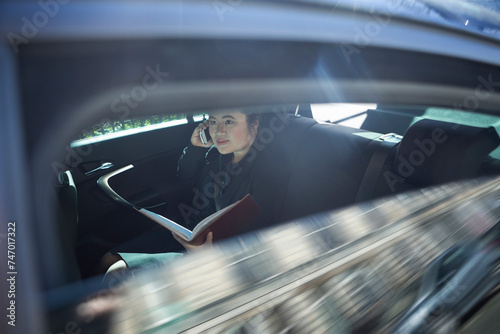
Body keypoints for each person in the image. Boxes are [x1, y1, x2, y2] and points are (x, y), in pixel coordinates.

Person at [101, 107, 290, 275]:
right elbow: (185, 179)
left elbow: (259, 238)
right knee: (107, 259)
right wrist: (195, 149)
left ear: (254, 123)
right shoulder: (217, 156)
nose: (219, 130)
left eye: (229, 121)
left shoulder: (268, 173)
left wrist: (210, 254)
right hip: (187, 232)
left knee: (117, 272)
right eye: (214, 121)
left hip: (216, 253)